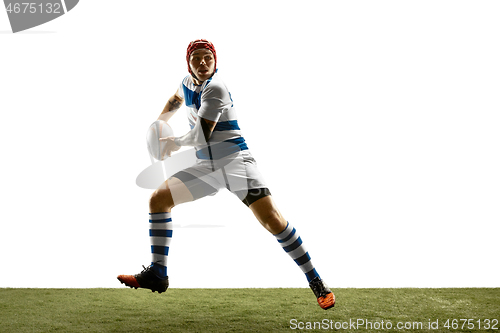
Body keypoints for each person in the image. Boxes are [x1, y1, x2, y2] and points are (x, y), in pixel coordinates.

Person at [117, 39, 335, 310]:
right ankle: (158, 273)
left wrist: (172, 143)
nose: (202, 62)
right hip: (206, 167)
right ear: (189, 62)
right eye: (196, 57)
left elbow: (200, 135)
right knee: (158, 200)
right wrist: (161, 123)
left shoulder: (216, 88)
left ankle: (315, 280)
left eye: (207, 57)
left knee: (273, 221)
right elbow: (175, 99)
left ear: (215, 61)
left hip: (235, 163)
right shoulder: (187, 83)